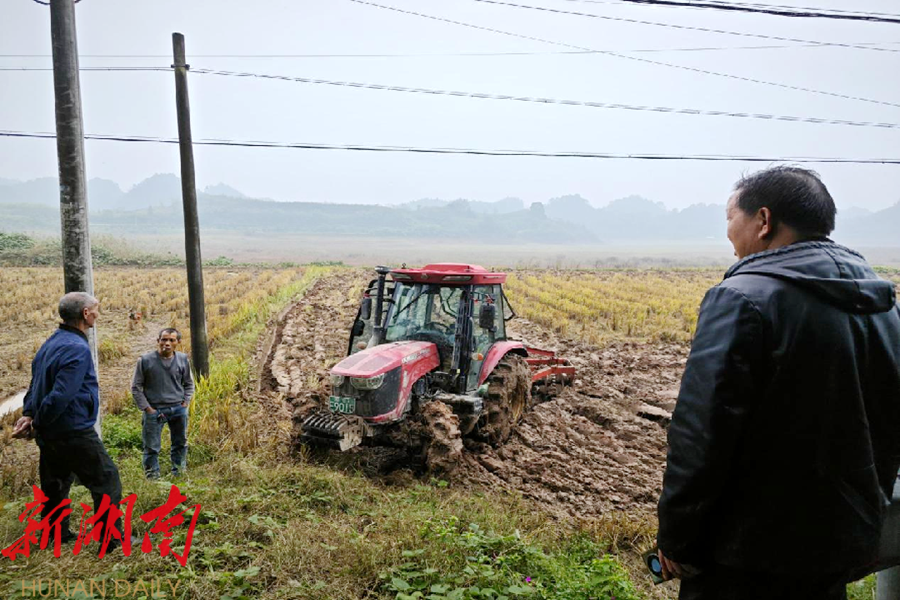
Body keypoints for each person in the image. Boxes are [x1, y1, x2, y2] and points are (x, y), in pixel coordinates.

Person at [657, 166, 900, 600]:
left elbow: (702, 432)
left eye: (730, 218)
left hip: (747, 553)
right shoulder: (881, 303)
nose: (729, 233)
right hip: (840, 543)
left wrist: (677, 536)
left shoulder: (741, 298)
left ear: (763, 220)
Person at [12, 292, 123, 549]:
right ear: (85, 313)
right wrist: (37, 422)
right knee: (106, 479)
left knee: (56, 483)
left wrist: (29, 414)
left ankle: (55, 534)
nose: (98, 314)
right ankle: (111, 540)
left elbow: (36, 384)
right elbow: (60, 395)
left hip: (50, 433)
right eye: (96, 309)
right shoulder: (77, 348)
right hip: (72, 429)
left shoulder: (51, 342)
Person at [131, 328, 194, 479]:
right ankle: (152, 478)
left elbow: (189, 383)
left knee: (180, 443)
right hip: (155, 410)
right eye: (164, 339)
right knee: (151, 447)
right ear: (158, 341)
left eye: (171, 340)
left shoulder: (183, 359)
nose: (167, 343)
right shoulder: (145, 360)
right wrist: (148, 408)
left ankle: (179, 473)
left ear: (178, 342)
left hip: (178, 409)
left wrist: (185, 402)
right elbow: (136, 387)